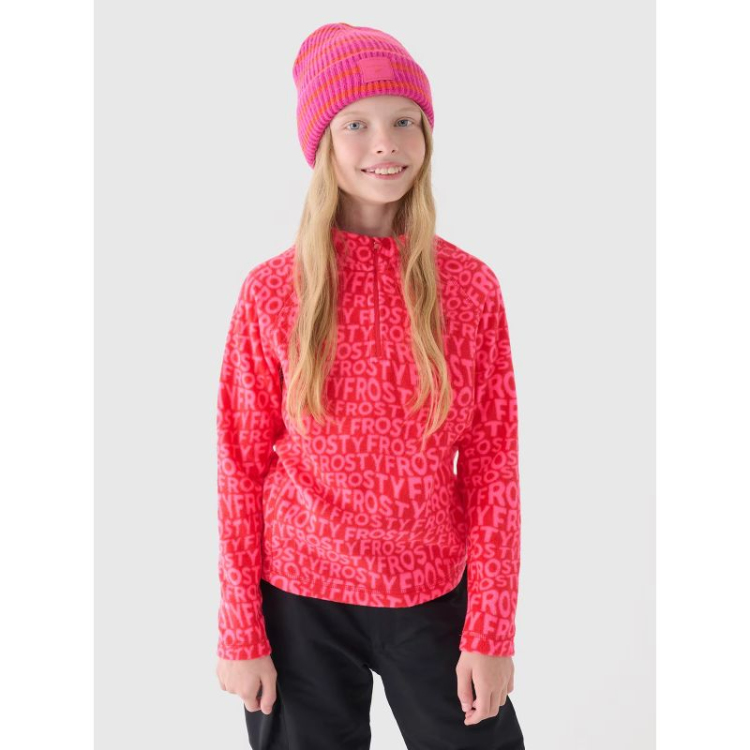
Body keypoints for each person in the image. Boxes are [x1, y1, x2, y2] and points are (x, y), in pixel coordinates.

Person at [215, 22, 525, 750]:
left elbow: (493, 468)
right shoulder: (272, 292)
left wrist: (491, 630)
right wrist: (239, 631)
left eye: (404, 120)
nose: (385, 143)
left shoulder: (470, 289)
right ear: (322, 143)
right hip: (298, 601)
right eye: (355, 123)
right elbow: (239, 466)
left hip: (431, 593)